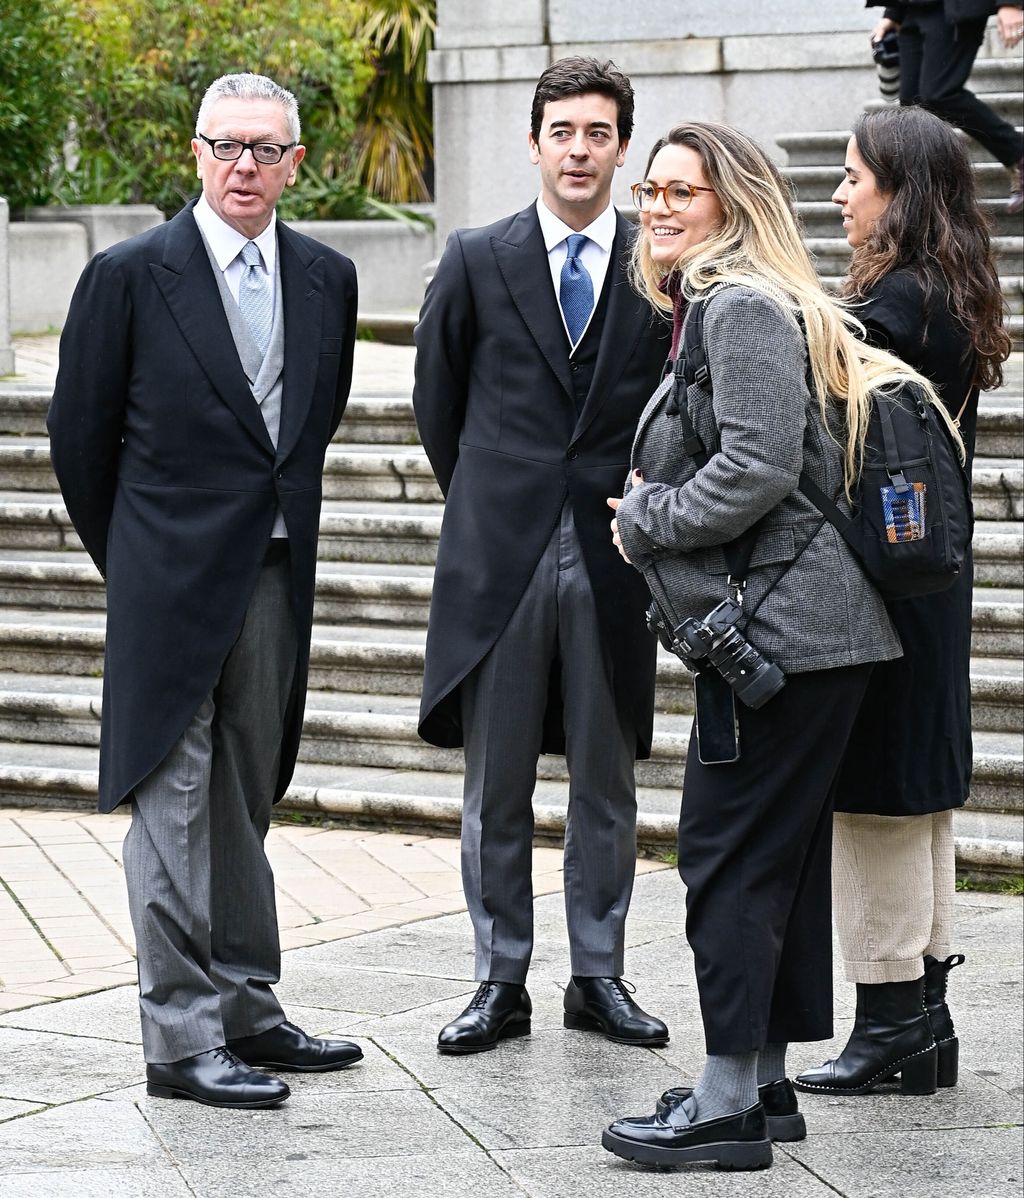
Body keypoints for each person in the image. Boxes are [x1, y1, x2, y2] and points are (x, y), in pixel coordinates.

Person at [599, 121, 946, 1171]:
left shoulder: (741, 303)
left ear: (732, 204)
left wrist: (644, 518)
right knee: (774, 862)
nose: (657, 208)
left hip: (784, 634)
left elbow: (752, 470)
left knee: (727, 860)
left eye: (682, 193)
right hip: (796, 631)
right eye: (650, 190)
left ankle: (725, 1104)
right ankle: (761, 1081)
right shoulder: (722, 300)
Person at [48, 72, 362, 1109]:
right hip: (166, 582)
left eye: (266, 150)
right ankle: (181, 1040)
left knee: (244, 796)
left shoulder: (326, 278)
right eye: (226, 146)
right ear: (194, 153)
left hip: (274, 572)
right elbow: (79, 441)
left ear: (294, 165)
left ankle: (247, 1007)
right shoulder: (130, 277)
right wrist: (136, 561)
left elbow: (305, 438)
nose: (244, 166)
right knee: (173, 804)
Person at [412, 57, 672, 1055]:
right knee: (497, 783)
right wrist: (488, 497)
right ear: (533, 143)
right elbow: (441, 402)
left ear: (620, 150)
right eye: (561, 130)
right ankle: (497, 977)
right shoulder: (477, 256)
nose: (578, 149)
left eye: (598, 132)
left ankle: (597, 976)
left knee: (605, 778)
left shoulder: (660, 262)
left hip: (614, 551)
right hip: (502, 553)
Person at [793, 105, 1012, 1098]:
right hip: (928, 579)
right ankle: (924, 1022)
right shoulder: (943, 293)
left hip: (887, 582)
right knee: (916, 791)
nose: (838, 196)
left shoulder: (897, 309)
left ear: (900, 191)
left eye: (851, 178)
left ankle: (886, 1018)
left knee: (880, 793)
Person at [865, 1, 1024, 213]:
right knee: (912, 110)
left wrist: (1010, 3)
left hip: (953, 9)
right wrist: (893, 13)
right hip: (912, 10)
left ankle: (1018, 153)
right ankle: (926, 198)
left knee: (940, 94)